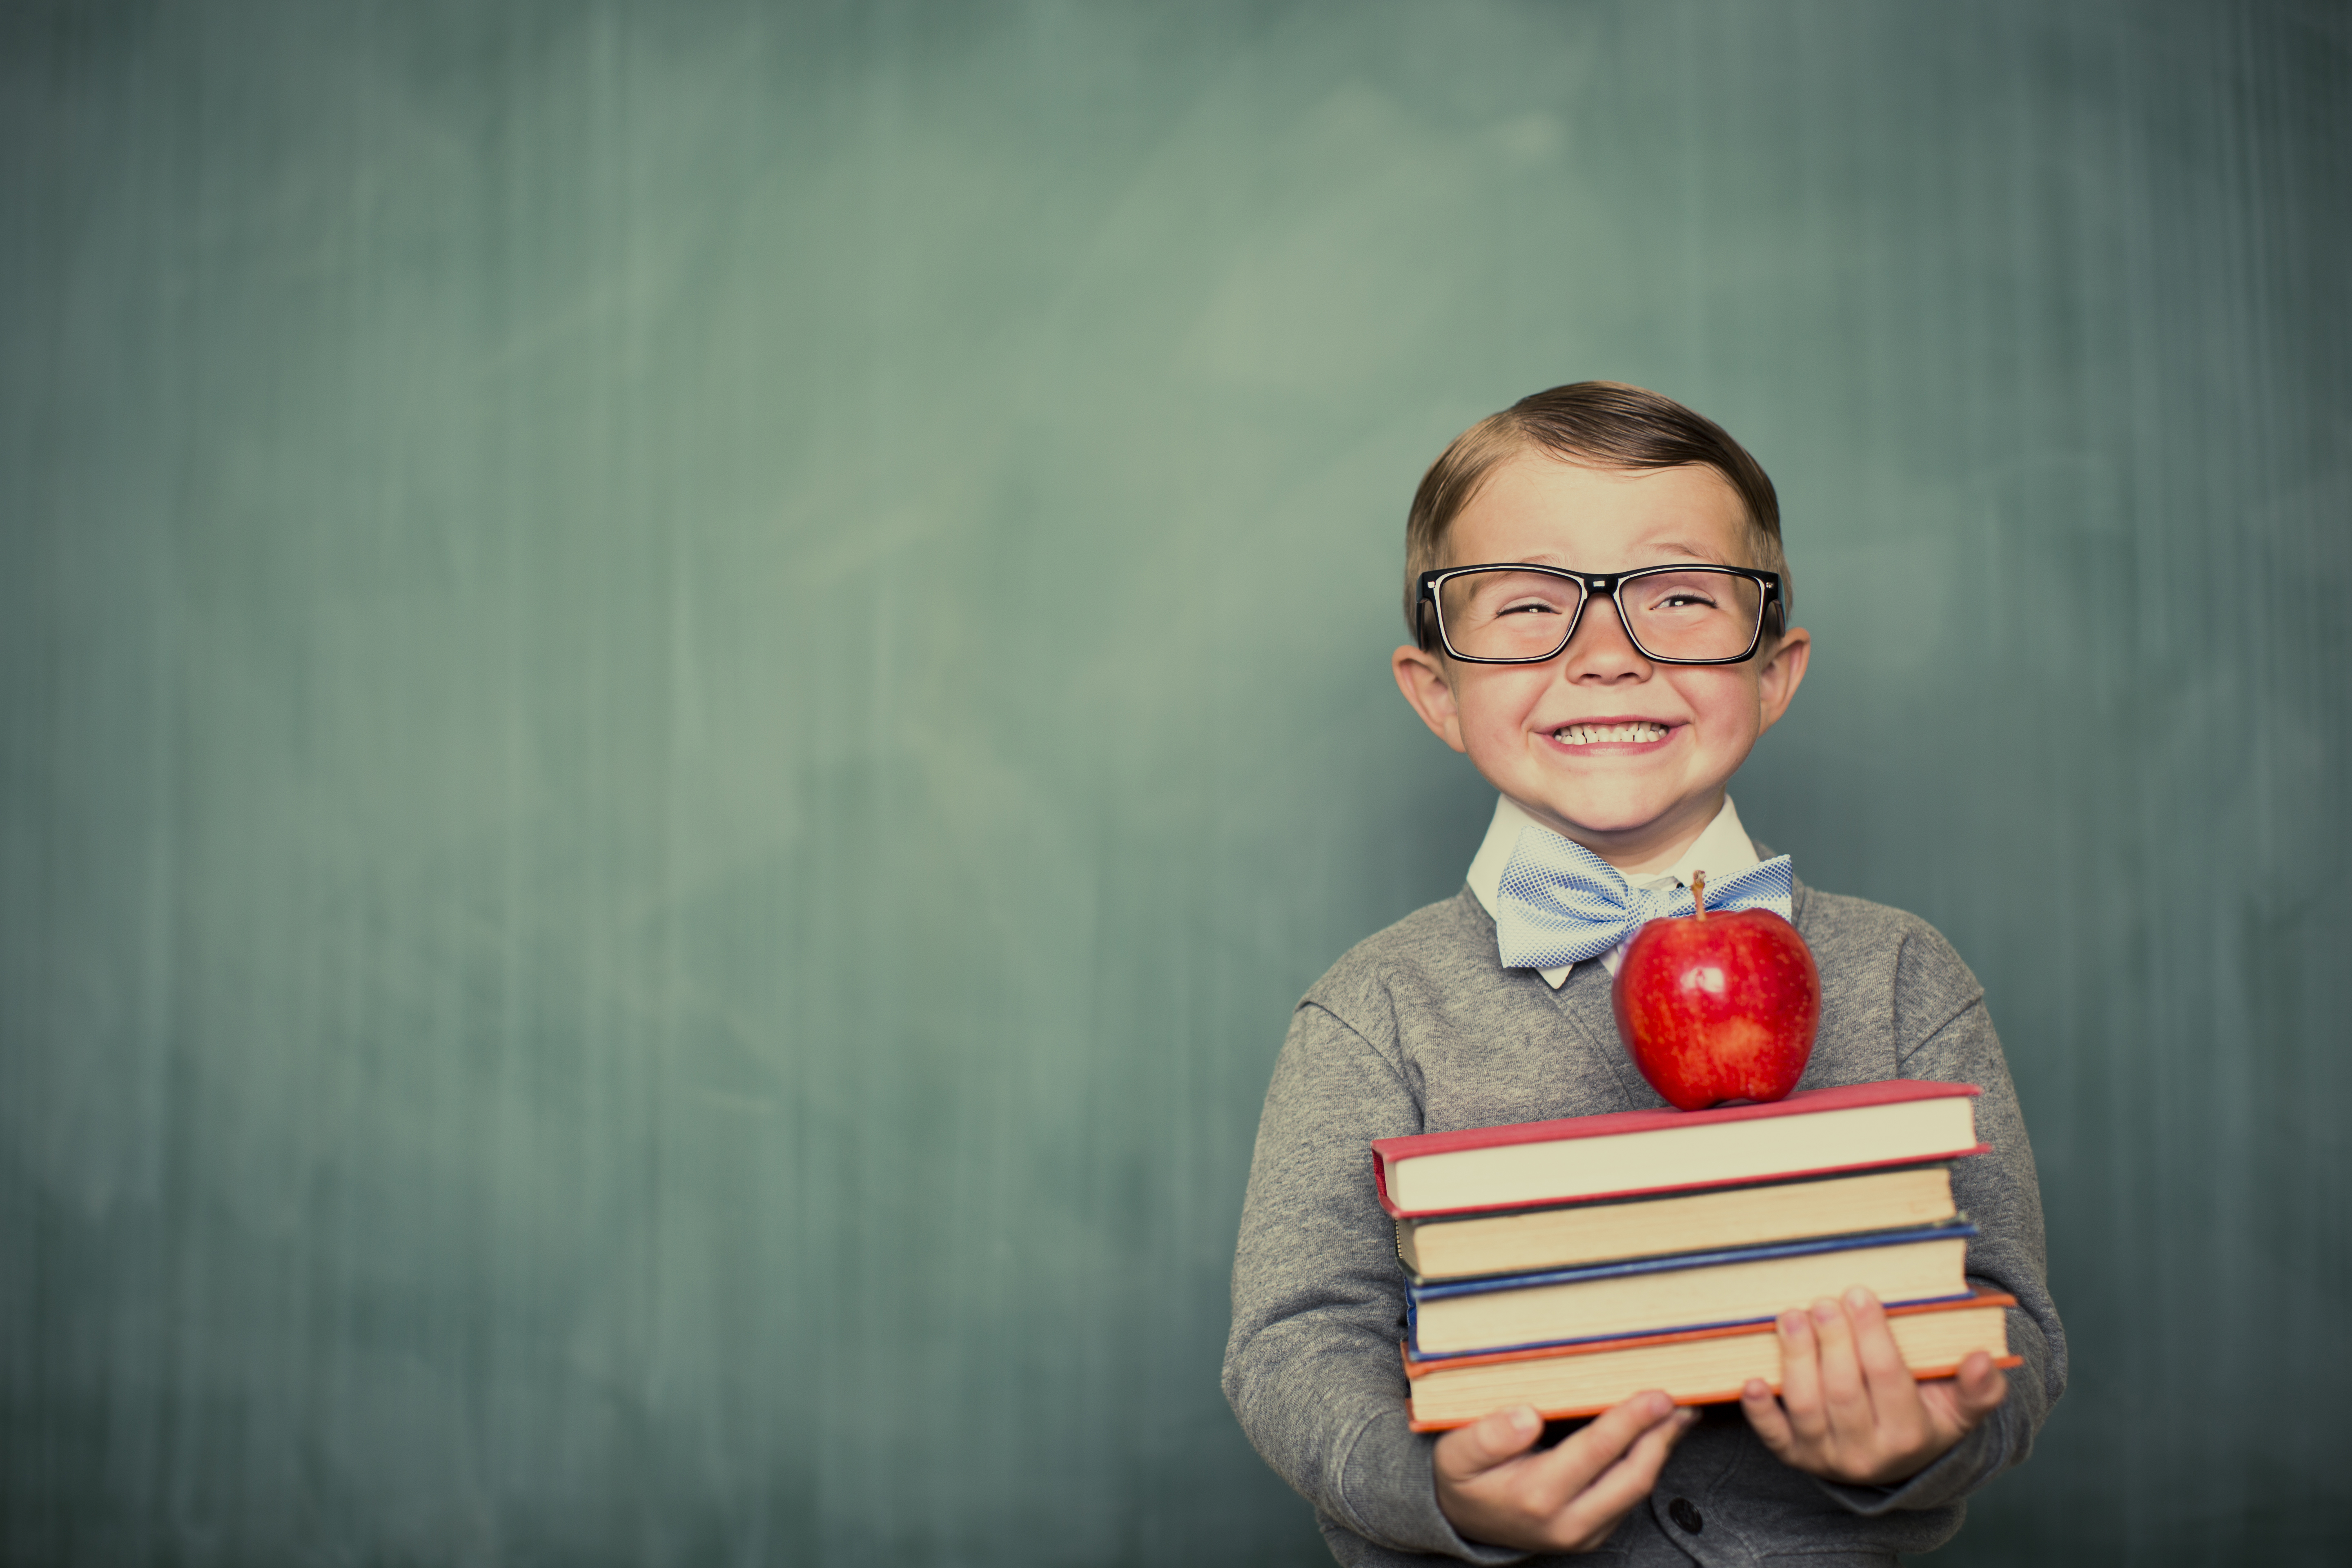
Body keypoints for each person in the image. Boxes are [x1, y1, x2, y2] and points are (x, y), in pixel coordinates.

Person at [1222, 383, 2065, 1565]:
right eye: (1526, 605)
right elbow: (1294, 1342)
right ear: (1436, 694)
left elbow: (2007, 1317)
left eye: (1678, 598)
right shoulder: (1375, 1012)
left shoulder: (1903, 977)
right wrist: (1443, 1495)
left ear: (1773, 674)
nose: (1608, 653)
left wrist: (1921, 1439)